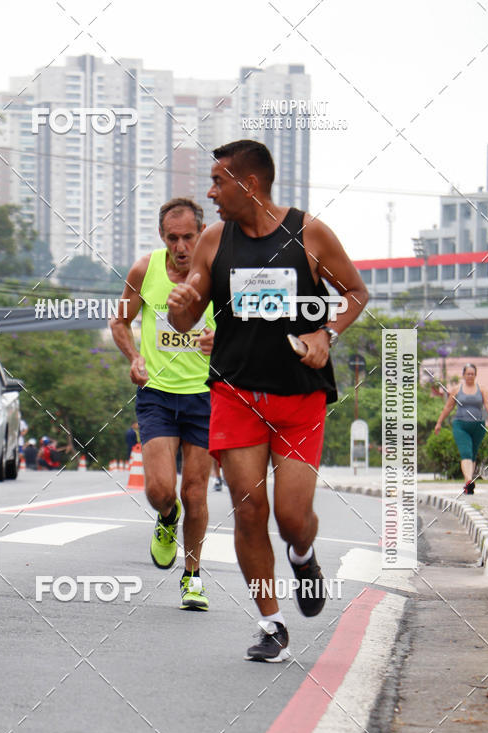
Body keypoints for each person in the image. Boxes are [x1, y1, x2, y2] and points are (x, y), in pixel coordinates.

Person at [167, 140, 368, 661]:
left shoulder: (309, 233)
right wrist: (183, 307)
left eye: (218, 181)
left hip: (300, 400)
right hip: (236, 395)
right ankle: (270, 624)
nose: (210, 193)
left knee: (291, 517)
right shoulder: (215, 241)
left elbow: (355, 293)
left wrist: (327, 332)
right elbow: (186, 318)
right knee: (248, 509)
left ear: (248, 184)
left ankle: (303, 557)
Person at [110, 198, 216, 611]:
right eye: (173, 238)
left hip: (206, 395)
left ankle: (192, 578)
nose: (182, 246)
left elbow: (246, 326)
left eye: (189, 236)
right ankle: (166, 518)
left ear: (201, 234)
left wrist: (218, 342)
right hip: (156, 394)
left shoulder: (218, 273)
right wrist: (134, 357)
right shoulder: (145, 270)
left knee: (196, 492)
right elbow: (119, 319)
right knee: (159, 491)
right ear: (162, 237)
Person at [434, 363, 488, 494]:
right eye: (468, 373)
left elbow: (487, 405)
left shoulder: (482, 389)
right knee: (466, 453)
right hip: (461, 425)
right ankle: (469, 482)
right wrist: (439, 422)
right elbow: (448, 407)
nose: (470, 376)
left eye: (472, 373)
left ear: (475, 375)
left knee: (473, 454)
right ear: (463, 375)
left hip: (478, 425)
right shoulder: (456, 389)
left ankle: (468, 483)